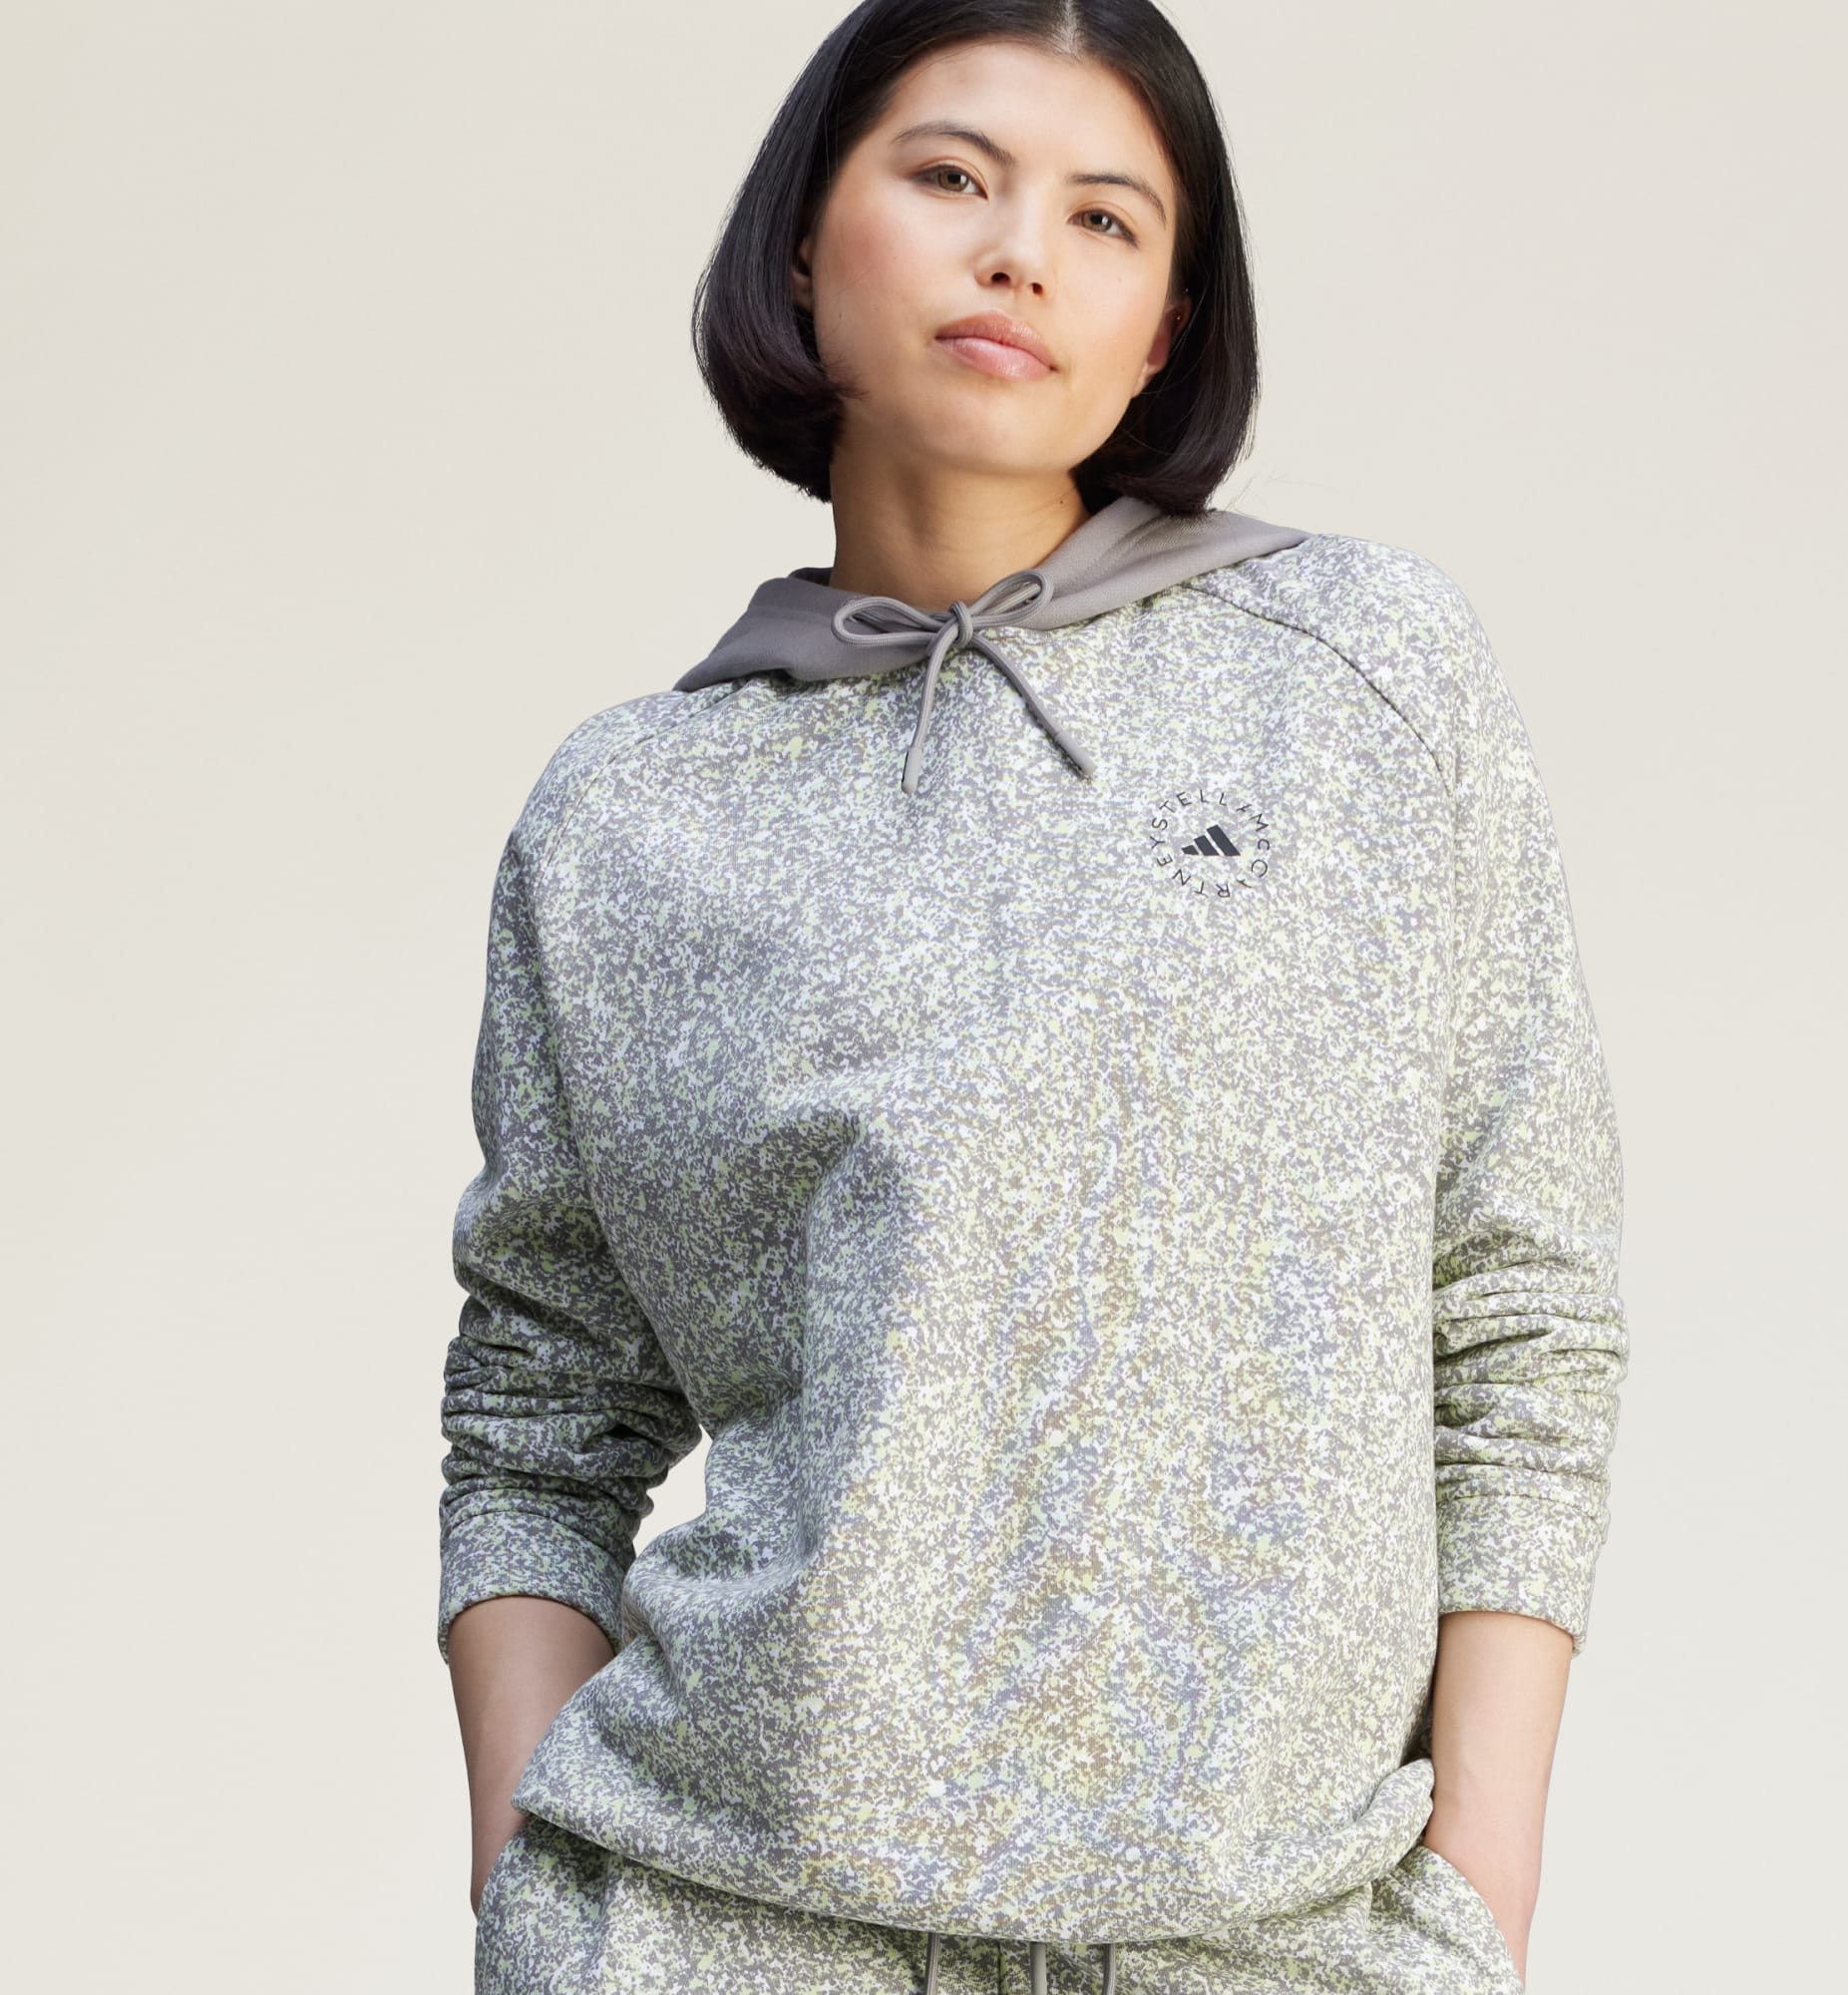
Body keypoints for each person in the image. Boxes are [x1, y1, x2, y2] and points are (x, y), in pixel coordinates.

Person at [437, 4, 1630, 1991]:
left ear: (1163, 330)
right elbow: (538, 1409)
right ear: (801, 244)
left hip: (1274, 1934)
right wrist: (527, 1882)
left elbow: (1520, 1308)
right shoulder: (631, 812)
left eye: (1103, 218)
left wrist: (1473, 1901)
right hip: (720, 1925)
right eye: (950, 178)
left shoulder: (1364, 673)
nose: (1019, 256)